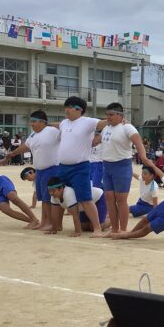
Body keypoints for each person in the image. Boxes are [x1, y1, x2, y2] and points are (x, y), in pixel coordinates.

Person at [48, 96, 109, 236]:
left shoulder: (87, 122)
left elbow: (102, 123)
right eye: (66, 107)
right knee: (57, 195)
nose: (66, 110)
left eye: (69, 107)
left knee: (84, 197)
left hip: (80, 167)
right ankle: (55, 227)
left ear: (79, 110)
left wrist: (116, 120)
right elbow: (59, 125)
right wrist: (47, 124)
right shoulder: (64, 123)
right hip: (63, 167)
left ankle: (97, 228)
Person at [100, 102, 163, 233]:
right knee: (109, 199)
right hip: (107, 167)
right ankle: (114, 229)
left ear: (120, 115)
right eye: (107, 115)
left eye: (111, 115)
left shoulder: (127, 127)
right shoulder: (106, 128)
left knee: (121, 200)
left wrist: (144, 158)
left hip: (121, 166)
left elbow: (138, 142)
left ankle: (122, 229)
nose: (108, 117)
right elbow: (95, 141)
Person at [110, 172, 164, 248]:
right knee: (145, 220)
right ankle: (129, 234)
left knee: (147, 228)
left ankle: (125, 235)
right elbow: (159, 172)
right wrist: (148, 162)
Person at [7, 111, 60, 232]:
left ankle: (50, 222)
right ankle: (44, 221)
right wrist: (13, 153)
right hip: (39, 171)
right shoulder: (33, 135)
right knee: (42, 198)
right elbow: (26, 146)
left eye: (34, 121)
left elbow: (66, 127)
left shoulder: (52, 131)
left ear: (43, 122)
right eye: (31, 121)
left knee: (49, 198)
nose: (31, 124)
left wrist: (50, 124)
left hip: (52, 168)